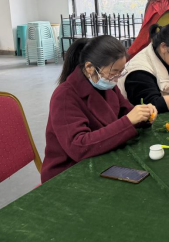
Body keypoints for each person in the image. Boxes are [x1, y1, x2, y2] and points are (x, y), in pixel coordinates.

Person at [42, 36, 157, 183]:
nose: (116, 78)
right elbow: (78, 146)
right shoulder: (64, 96)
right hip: (69, 173)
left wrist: (144, 115)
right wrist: (128, 121)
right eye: (113, 72)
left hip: (101, 157)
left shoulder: (106, 85)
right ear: (90, 68)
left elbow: (125, 111)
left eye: (120, 72)